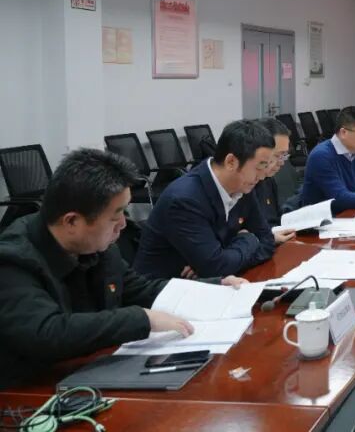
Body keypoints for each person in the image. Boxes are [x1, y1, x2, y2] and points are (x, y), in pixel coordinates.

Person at [0, 149, 246, 389]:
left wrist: (216, 287)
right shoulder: (12, 259)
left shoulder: (99, 246)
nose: (123, 224)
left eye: (124, 212)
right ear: (72, 221)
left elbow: (140, 289)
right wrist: (142, 319)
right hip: (29, 391)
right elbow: (47, 333)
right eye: (115, 216)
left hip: (90, 374)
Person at [135, 120, 278, 279]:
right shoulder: (184, 199)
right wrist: (248, 239)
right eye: (259, 167)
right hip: (168, 288)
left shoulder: (244, 186)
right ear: (231, 162)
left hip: (214, 282)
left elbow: (267, 242)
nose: (262, 176)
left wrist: (222, 259)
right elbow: (216, 267)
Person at [251, 117, 300, 236]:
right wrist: (271, 236)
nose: (282, 163)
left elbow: (275, 218)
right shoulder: (244, 186)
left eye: (284, 155)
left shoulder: (268, 180)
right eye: (278, 155)